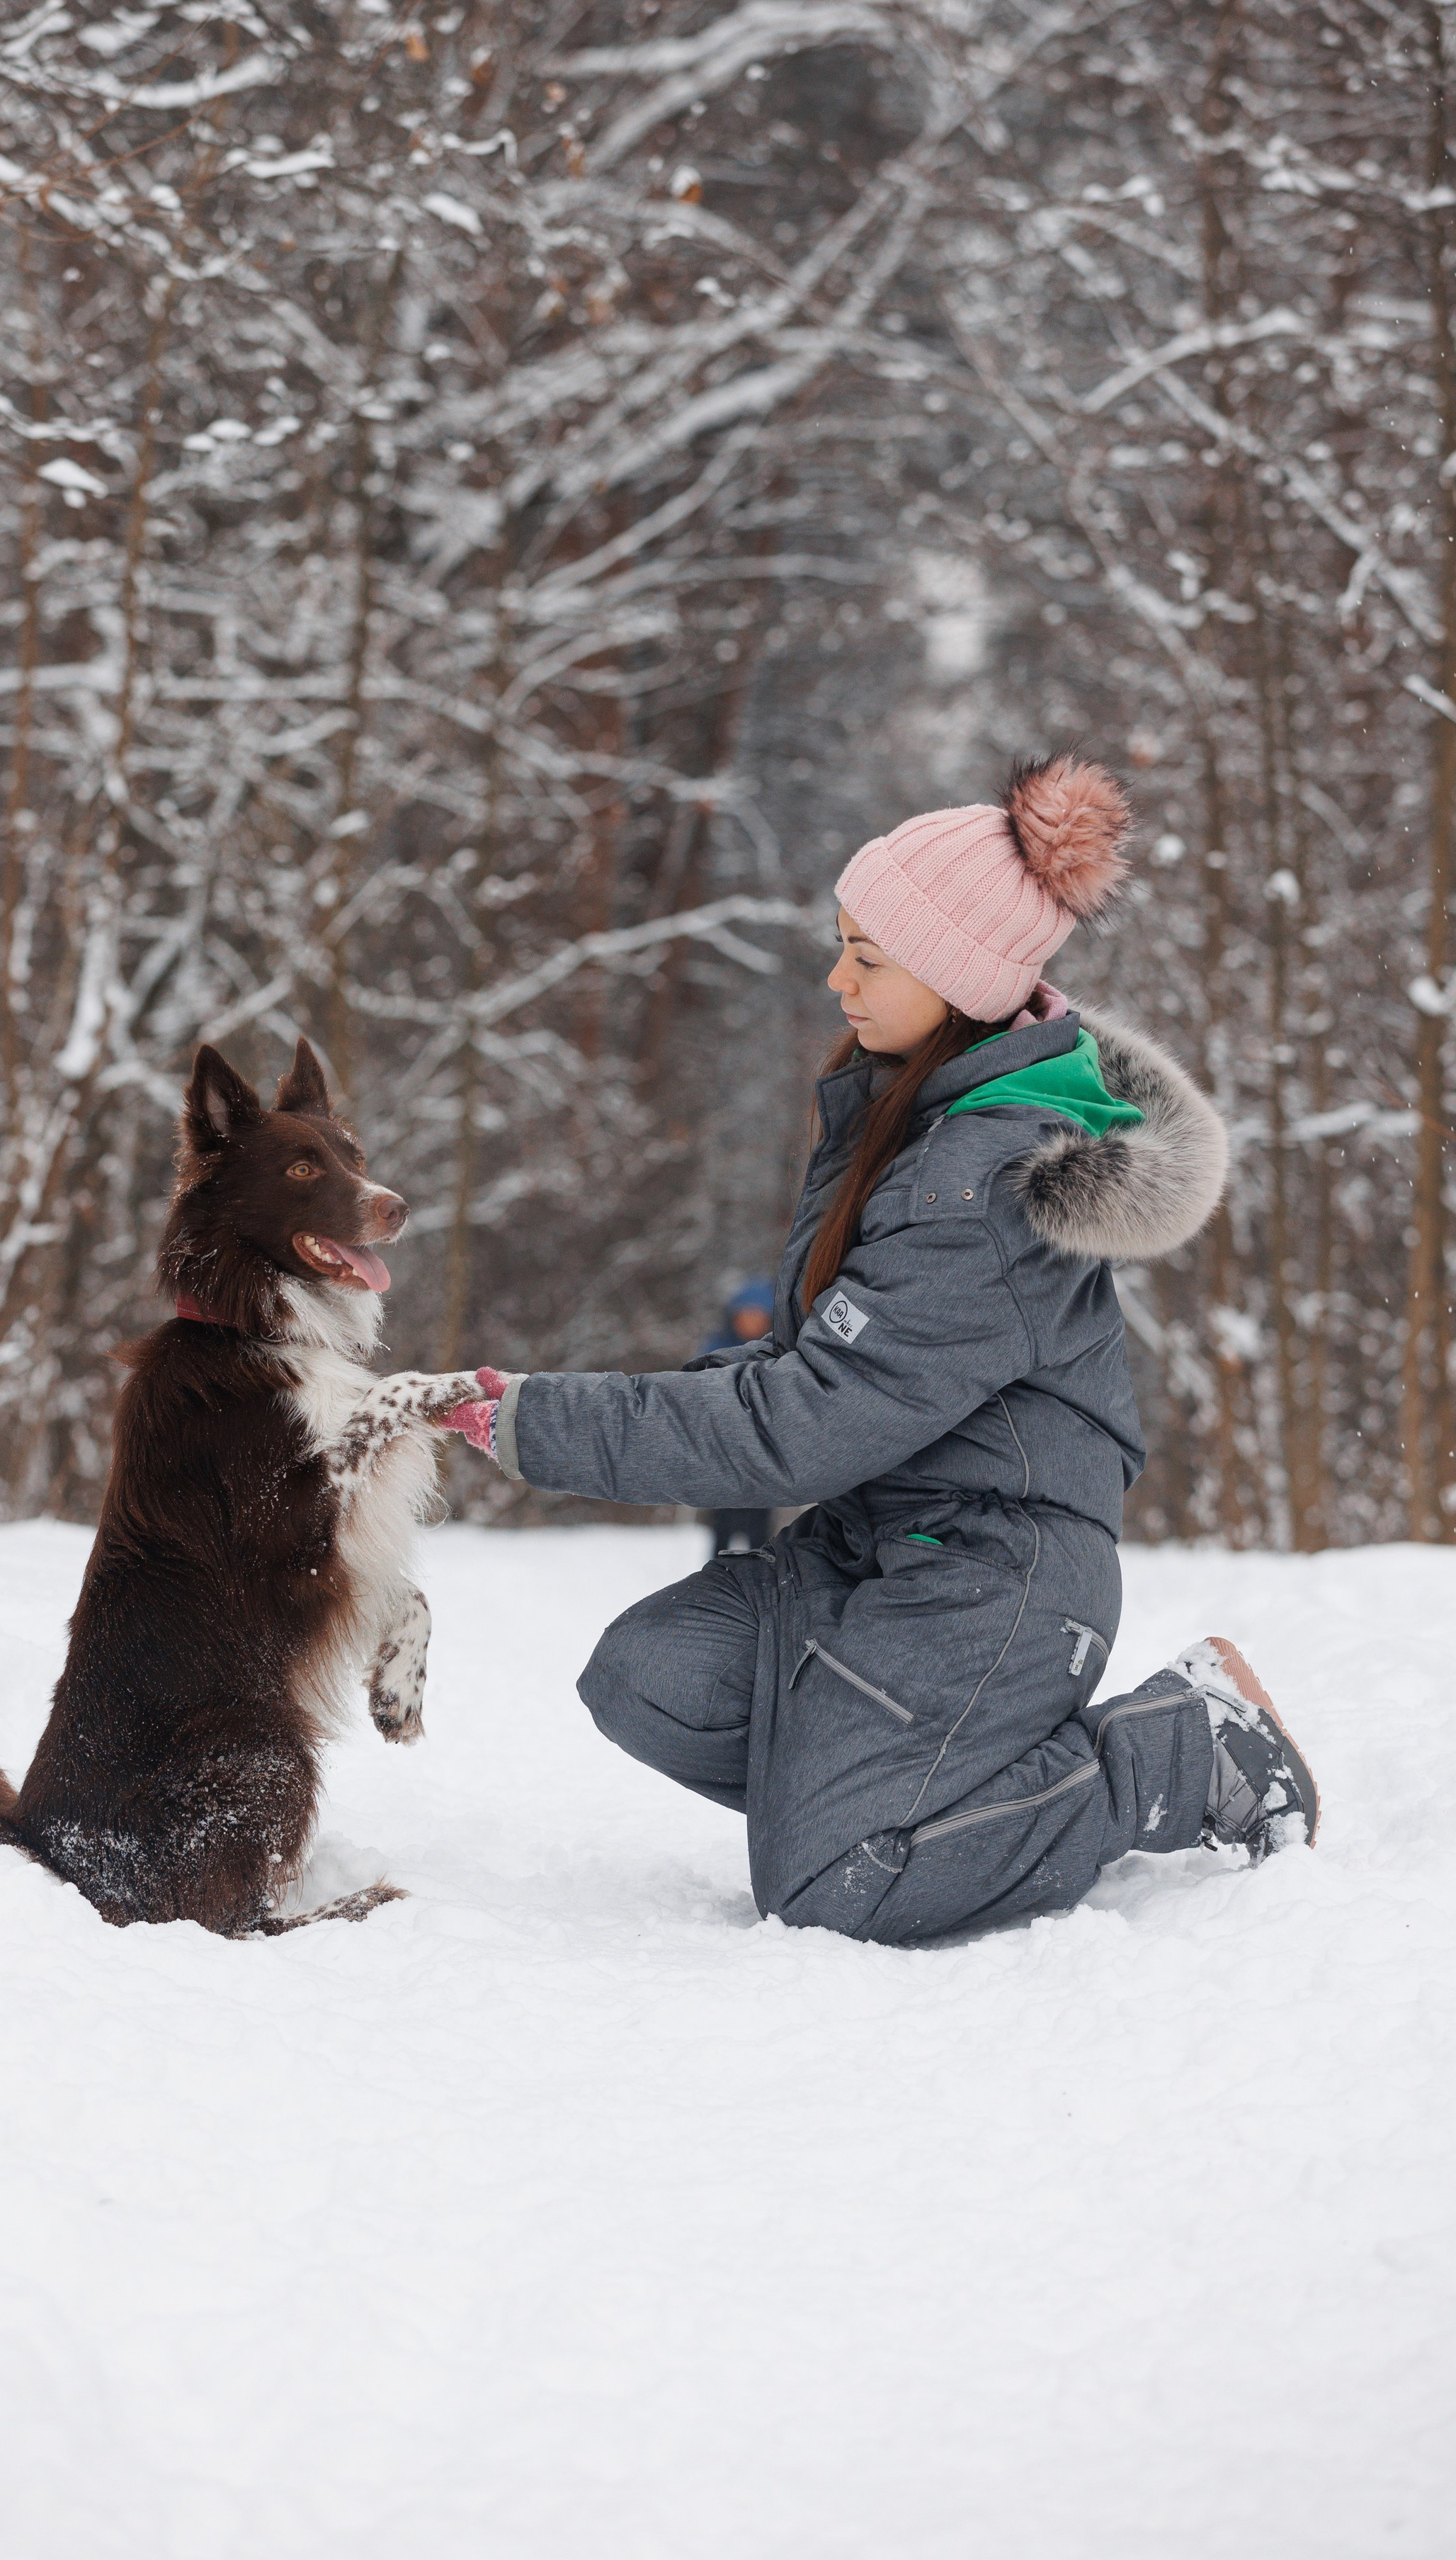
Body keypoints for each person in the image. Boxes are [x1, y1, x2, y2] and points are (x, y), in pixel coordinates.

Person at [436, 757, 1319, 1947]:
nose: (836, 978)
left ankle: (1183, 1751)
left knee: (837, 1883)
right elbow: (801, 1380)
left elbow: (805, 1422)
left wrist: (539, 1420)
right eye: (841, 945)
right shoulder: (908, 1122)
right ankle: (883, 1800)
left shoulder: (980, 1183)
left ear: (958, 980)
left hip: (995, 1572)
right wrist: (552, 1408)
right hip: (877, 1543)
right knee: (650, 1676)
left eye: (868, 956)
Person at [700, 1279, 776, 1558]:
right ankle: (716, 1571)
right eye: (747, 1314)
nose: (752, 1322)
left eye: (758, 1315)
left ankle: (762, 1572)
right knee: (723, 1521)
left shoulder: (777, 1348)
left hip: (763, 1451)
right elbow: (697, 1390)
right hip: (724, 1450)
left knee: (760, 1525)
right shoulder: (717, 1347)